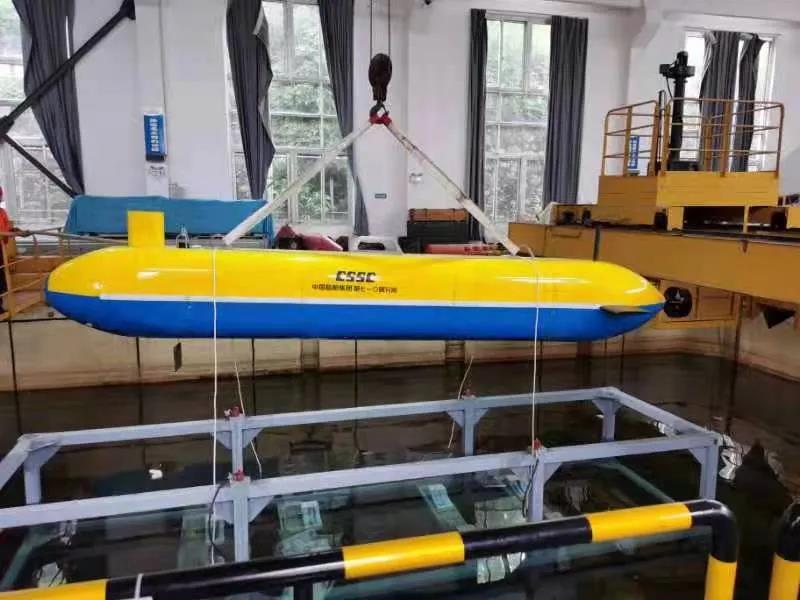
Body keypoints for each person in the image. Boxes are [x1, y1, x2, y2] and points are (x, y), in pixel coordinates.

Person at [0, 188, 11, 314]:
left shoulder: (2, 212)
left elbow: (6, 228)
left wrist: (14, 231)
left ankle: (0, 307)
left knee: (0, 276)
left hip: (0, 248)